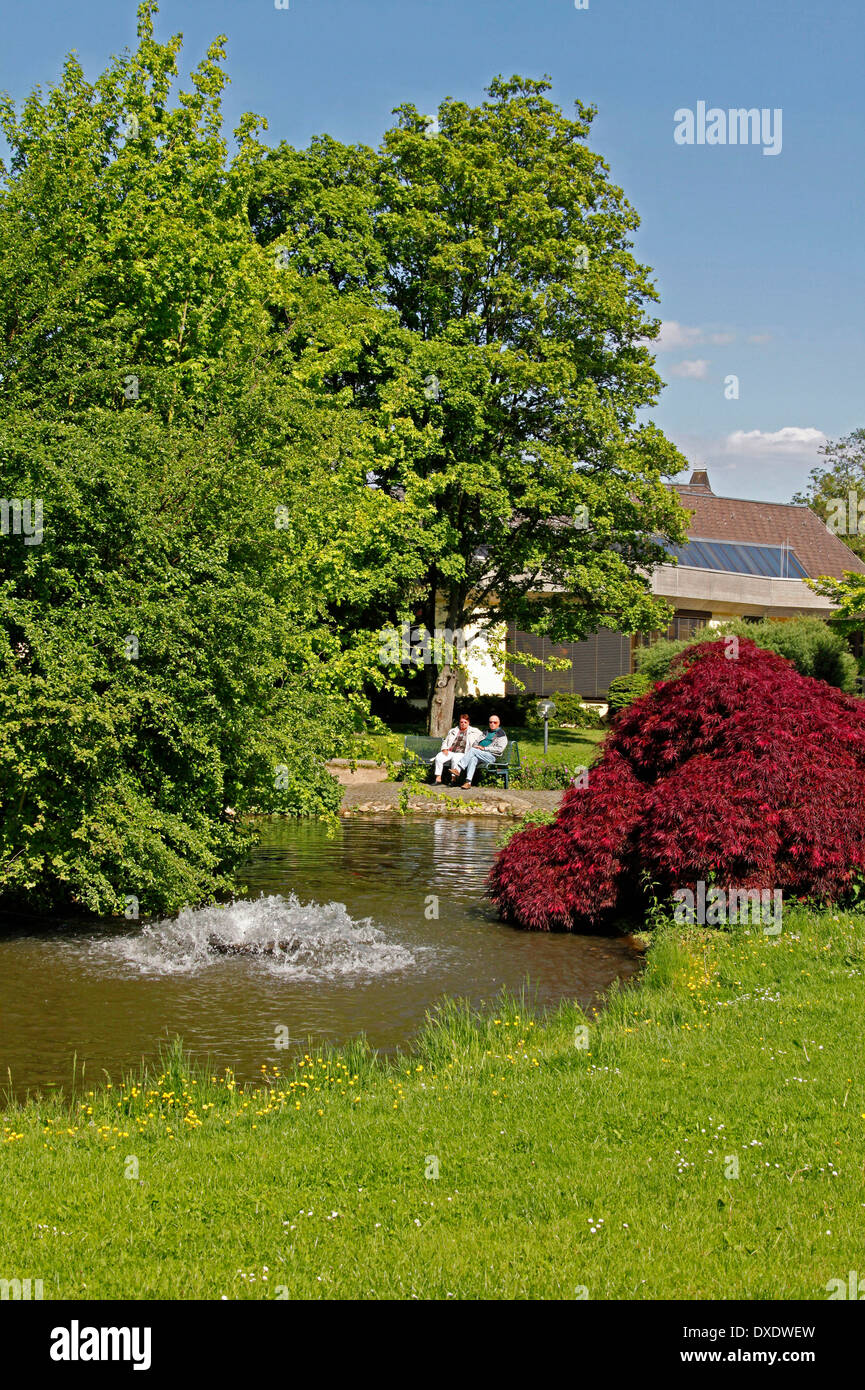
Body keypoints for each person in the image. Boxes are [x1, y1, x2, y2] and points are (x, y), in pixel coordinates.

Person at [452, 714, 508, 788]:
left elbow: (500, 749)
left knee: (472, 750)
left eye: (495, 722)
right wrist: (476, 746)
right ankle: (468, 782)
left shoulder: (501, 734)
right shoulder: (486, 732)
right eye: (490, 722)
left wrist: (484, 748)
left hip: (491, 756)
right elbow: (476, 741)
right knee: (473, 759)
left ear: (499, 723)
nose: (492, 724)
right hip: (480, 753)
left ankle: (458, 769)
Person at [432, 713, 481, 782]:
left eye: (465, 722)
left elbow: (483, 738)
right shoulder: (453, 730)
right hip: (450, 751)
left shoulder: (474, 731)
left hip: (462, 752)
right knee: (439, 757)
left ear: (468, 723)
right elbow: (445, 741)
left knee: (455, 759)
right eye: (461, 722)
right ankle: (438, 778)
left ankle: (453, 779)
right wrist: (444, 748)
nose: (463, 724)